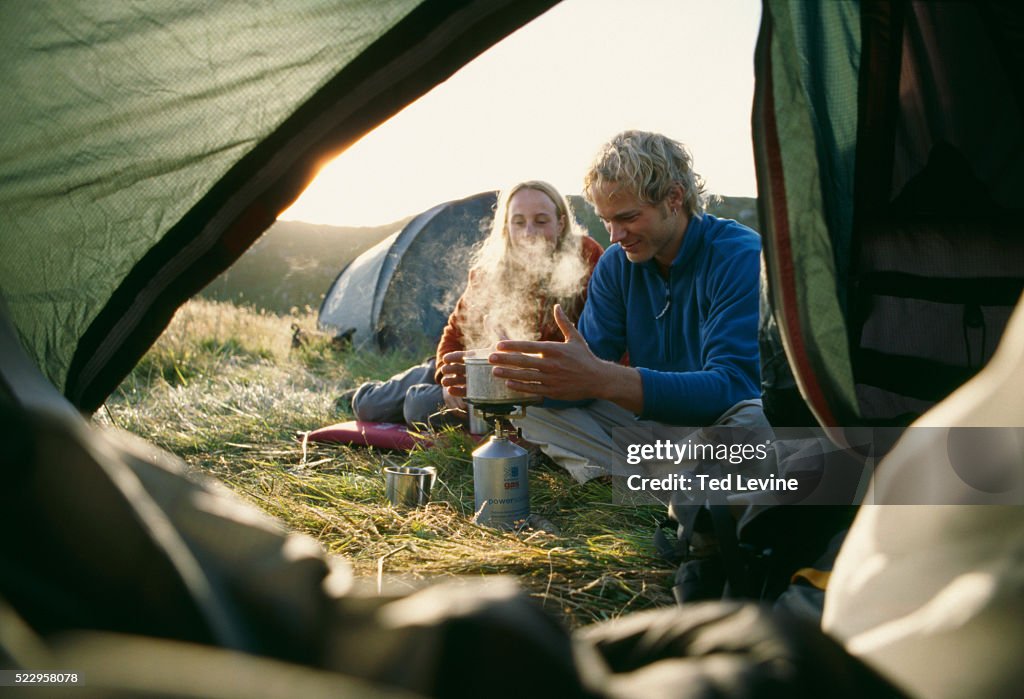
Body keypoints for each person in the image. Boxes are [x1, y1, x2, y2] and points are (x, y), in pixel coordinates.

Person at [446, 131, 765, 481]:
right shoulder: (617, 264)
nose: (614, 235)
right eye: (606, 220)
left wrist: (605, 380)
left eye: (627, 218)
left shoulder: (739, 255)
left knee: (750, 420)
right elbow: (583, 379)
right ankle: (674, 490)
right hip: (650, 431)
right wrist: (515, 381)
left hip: (713, 427)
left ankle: (644, 484)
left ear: (674, 197)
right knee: (530, 411)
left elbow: (733, 385)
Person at [349, 180, 603, 429]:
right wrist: (449, 383)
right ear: (506, 227)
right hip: (474, 366)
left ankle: (418, 398)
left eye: (541, 221)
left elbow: (600, 344)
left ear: (560, 224)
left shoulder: (587, 259)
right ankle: (362, 394)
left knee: (418, 406)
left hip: (520, 387)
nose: (529, 233)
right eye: (518, 222)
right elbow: (454, 332)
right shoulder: (492, 269)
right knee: (368, 406)